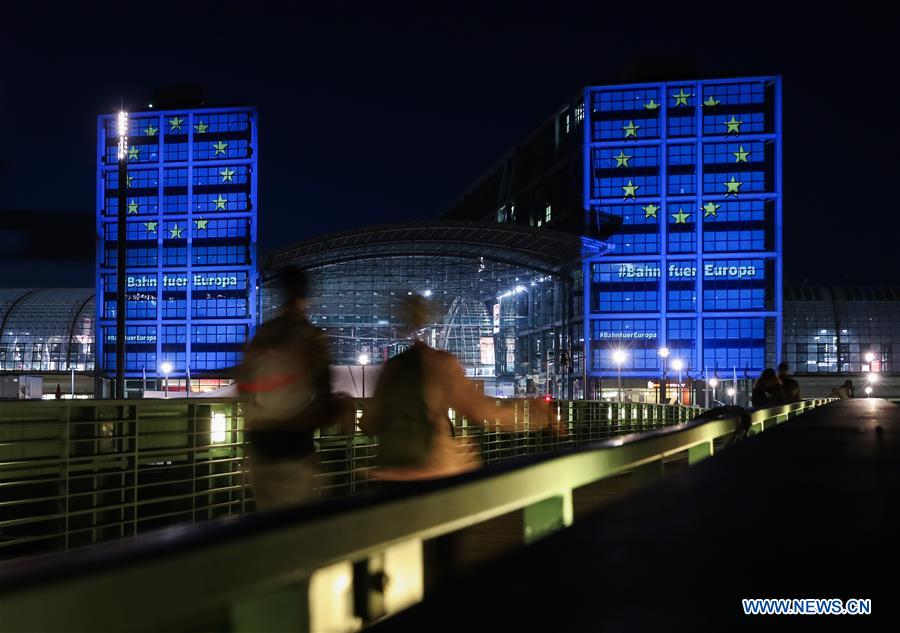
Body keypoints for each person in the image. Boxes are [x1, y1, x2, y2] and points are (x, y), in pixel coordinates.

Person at [362, 295, 564, 482]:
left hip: (389, 474)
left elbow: (368, 423)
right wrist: (537, 415)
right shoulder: (439, 364)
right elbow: (486, 413)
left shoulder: (391, 367)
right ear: (430, 319)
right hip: (430, 473)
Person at [237, 266, 333, 510]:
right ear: (306, 298)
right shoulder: (311, 337)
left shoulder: (264, 334)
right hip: (295, 442)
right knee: (297, 523)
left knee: (267, 517)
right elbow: (324, 391)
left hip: (260, 442)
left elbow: (244, 383)